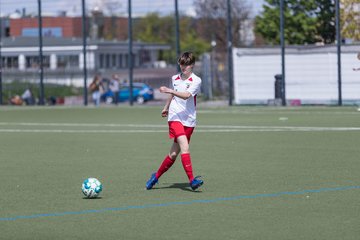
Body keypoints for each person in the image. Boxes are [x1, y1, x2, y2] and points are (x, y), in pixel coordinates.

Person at [146, 51, 203, 191]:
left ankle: (155, 176)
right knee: (185, 146)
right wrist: (166, 107)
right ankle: (192, 181)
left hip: (189, 120)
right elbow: (172, 97)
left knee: (173, 154)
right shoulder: (175, 78)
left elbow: (185, 96)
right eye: (181, 64)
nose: (183, 67)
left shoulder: (196, 80)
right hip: (175, 116)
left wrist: (170, 90)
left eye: (187, 65)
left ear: (192, 65)